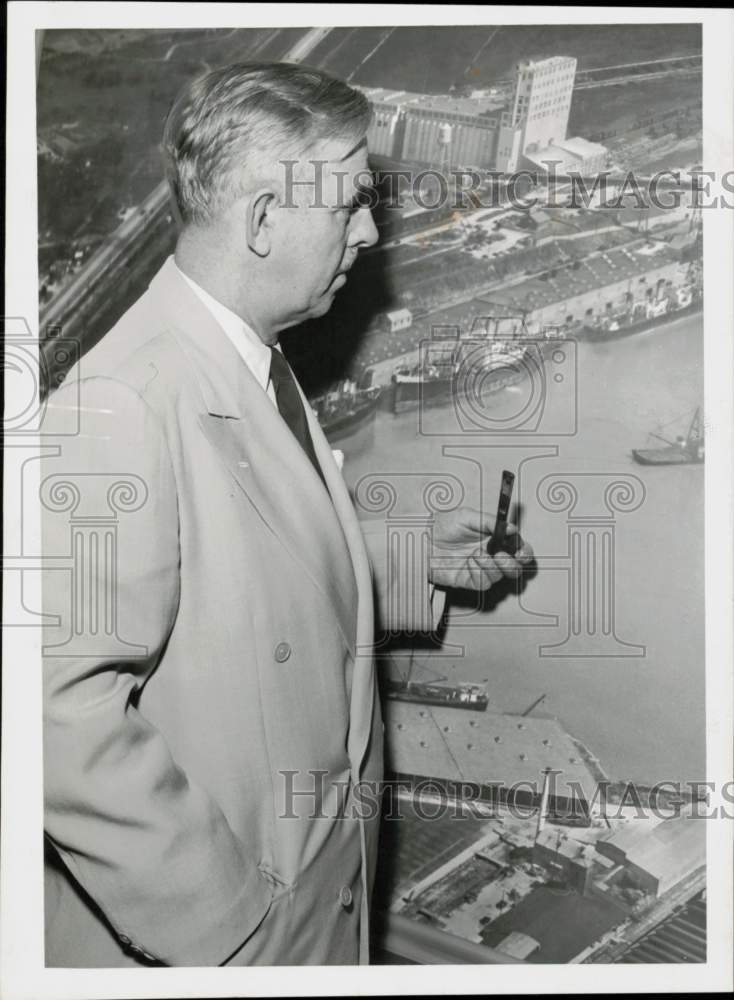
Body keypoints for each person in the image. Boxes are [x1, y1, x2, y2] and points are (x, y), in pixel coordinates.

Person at [40, 62, 533, 968]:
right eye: (349, 204)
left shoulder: (250, 360)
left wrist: (422, 565)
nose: (370, 230)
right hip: (226, 945)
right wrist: (222, 917)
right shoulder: (120, 404)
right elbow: (48, 710)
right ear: (264, 220)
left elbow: (246, 586)